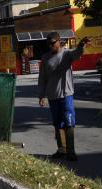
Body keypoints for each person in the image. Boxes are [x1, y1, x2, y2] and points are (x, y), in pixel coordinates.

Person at [38, 32, 90, 161]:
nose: (51, 46)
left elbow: (77, 53)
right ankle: (62, 149)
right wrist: (41, 95)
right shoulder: (45, 58)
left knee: (69, 121)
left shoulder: (67, 54)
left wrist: (81, 45)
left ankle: (71, 151)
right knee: (57, 123)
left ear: (59, 41)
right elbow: (42, 78)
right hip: (52, 96)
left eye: (53, 43)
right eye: (49, 44)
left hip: (66, 94)